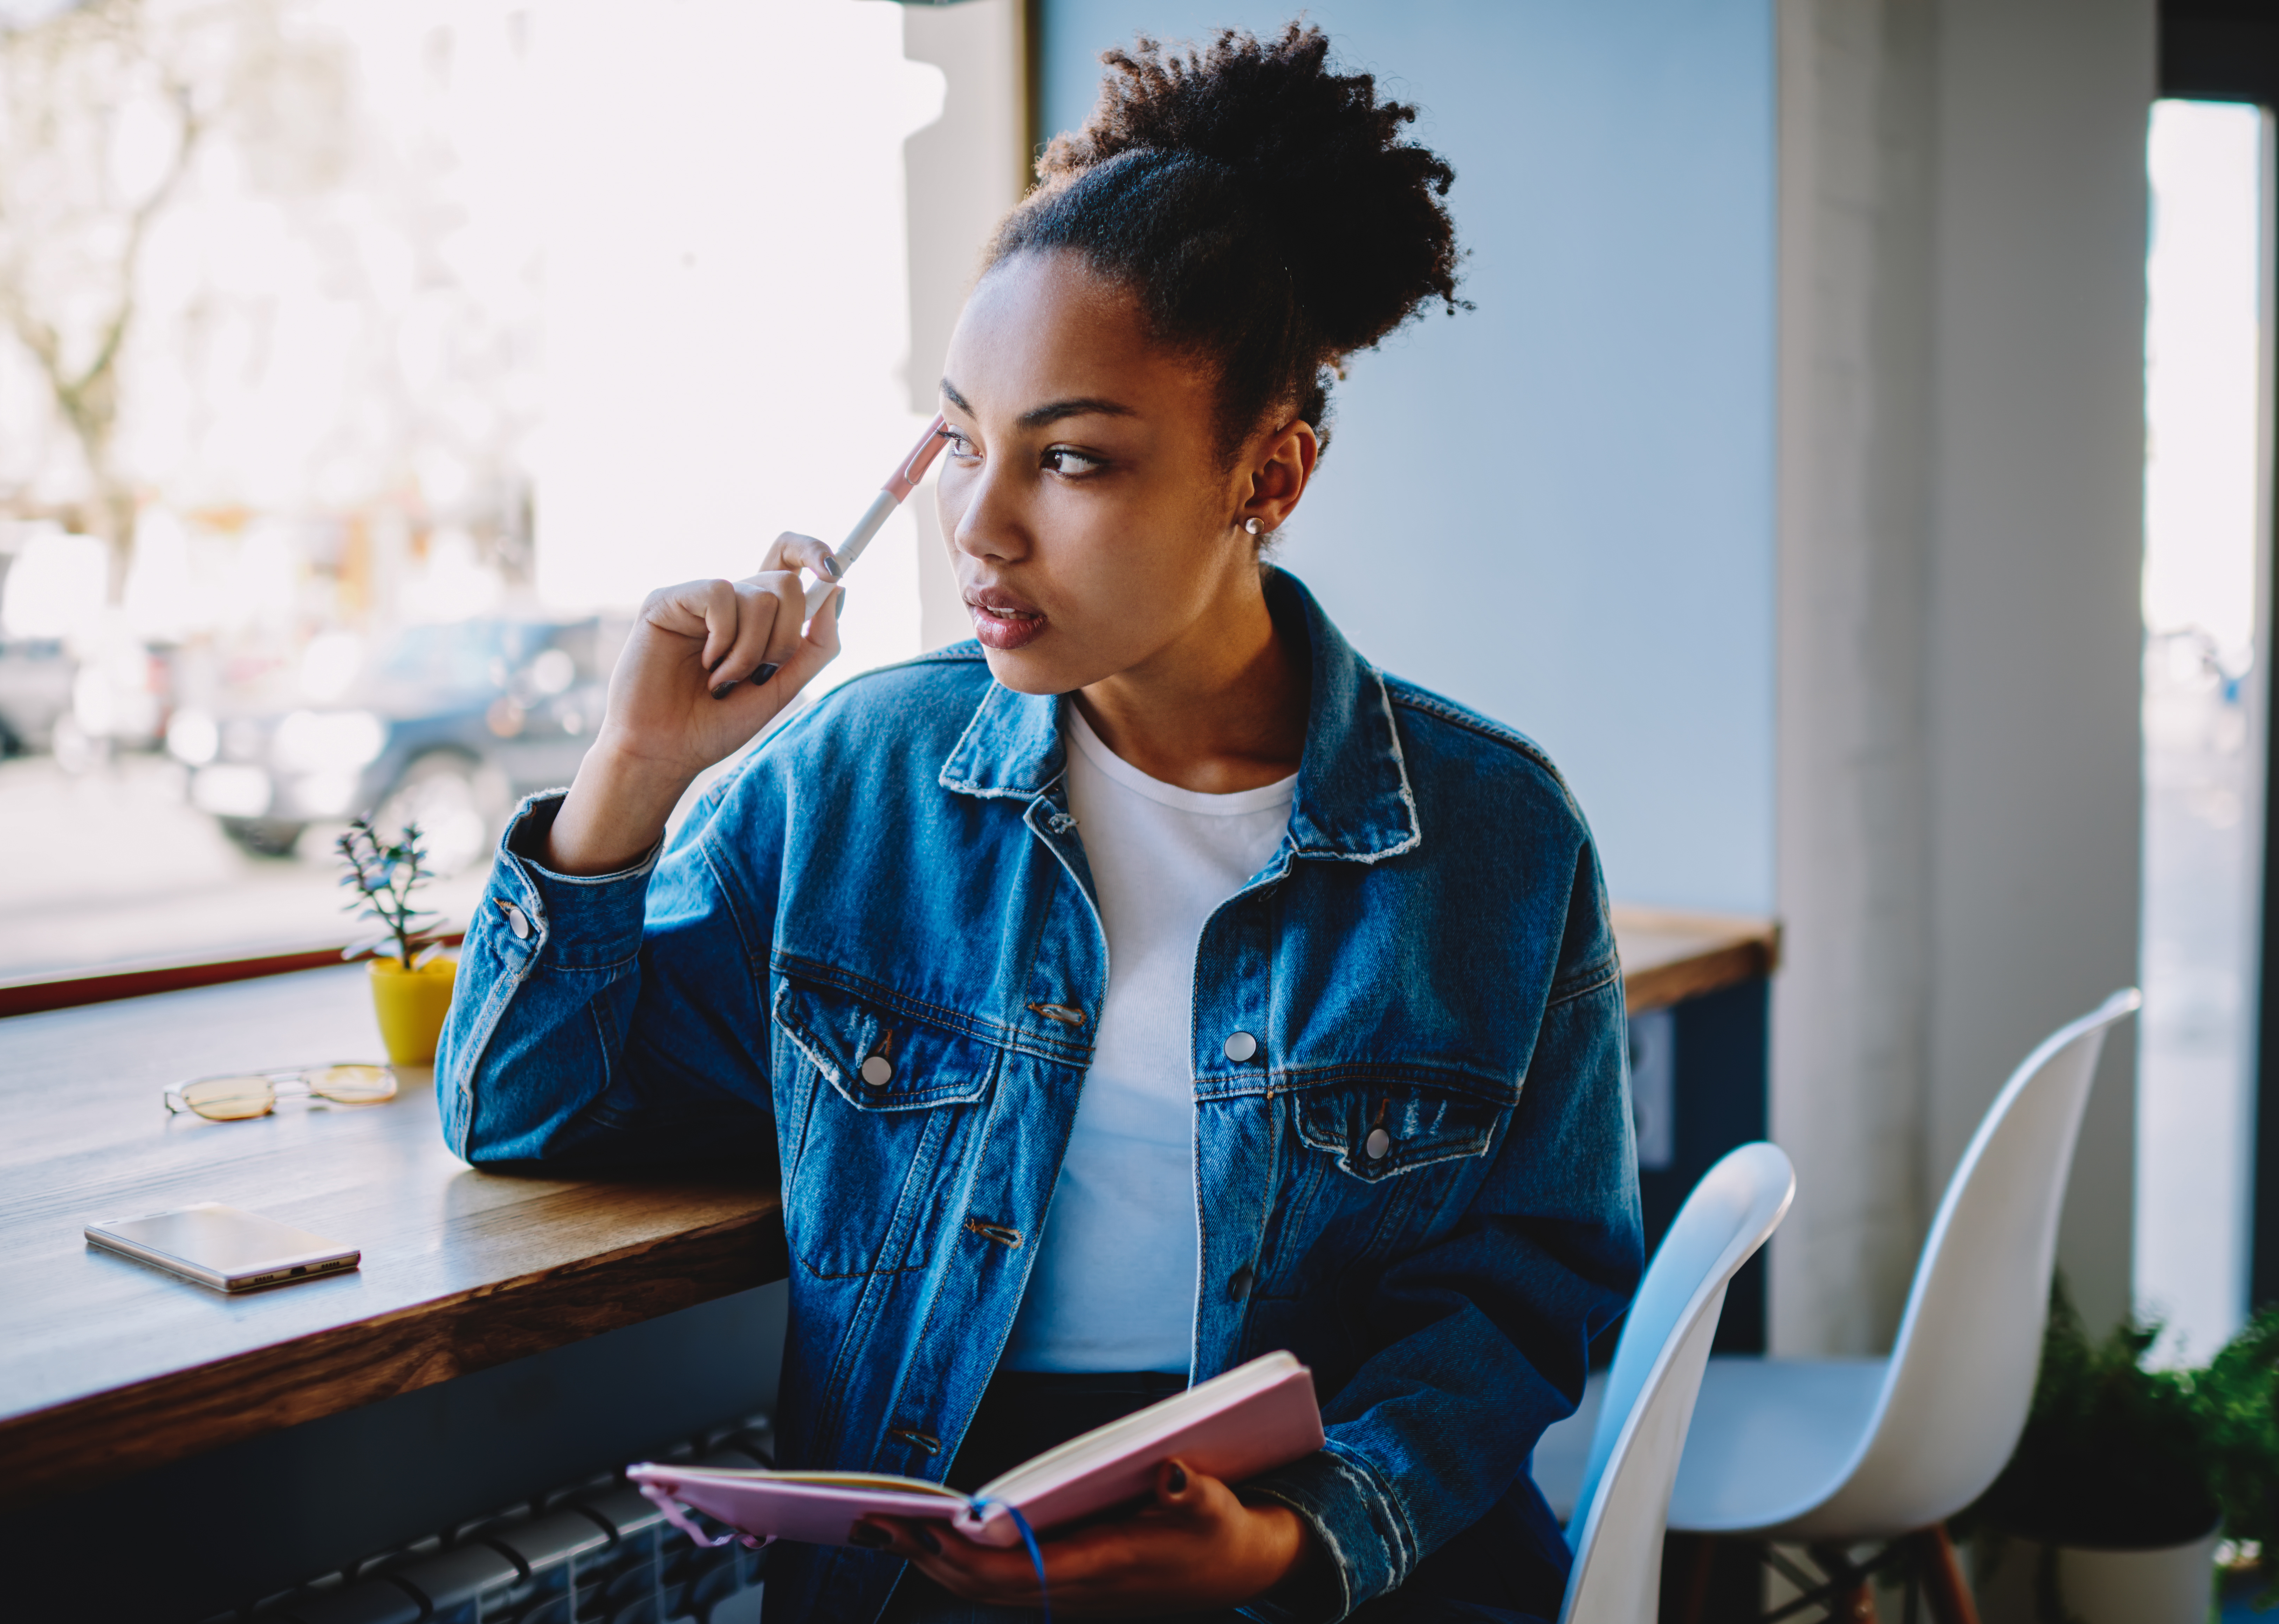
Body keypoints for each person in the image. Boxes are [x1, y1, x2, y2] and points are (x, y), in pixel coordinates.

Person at [438, 25, 1640, 1623]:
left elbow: (1519, 1299)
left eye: (1070, 459)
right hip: (937, 1561)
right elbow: (522, 1109)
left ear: (1266, 477)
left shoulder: (1490, 842)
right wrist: (635, 771)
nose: (981, 525)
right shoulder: (860, 781)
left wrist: (1288, 1545)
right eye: (958, 440)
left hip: (1328, 1568)